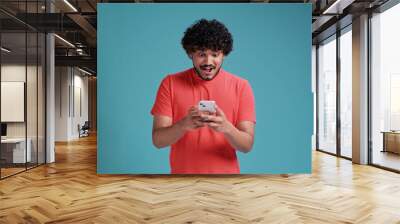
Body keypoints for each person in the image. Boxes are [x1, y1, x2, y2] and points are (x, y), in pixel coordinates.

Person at [151, 19, 256, 174]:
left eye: (215, 54)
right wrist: (183, 125)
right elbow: (158, 141)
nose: (208, 61)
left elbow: (246, 145)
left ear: (223, 55)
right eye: (201, 54)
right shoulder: (170, 83)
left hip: (226, 182)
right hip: (181, 182)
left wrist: (227, 128)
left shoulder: (241, 86)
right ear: (190, 54)